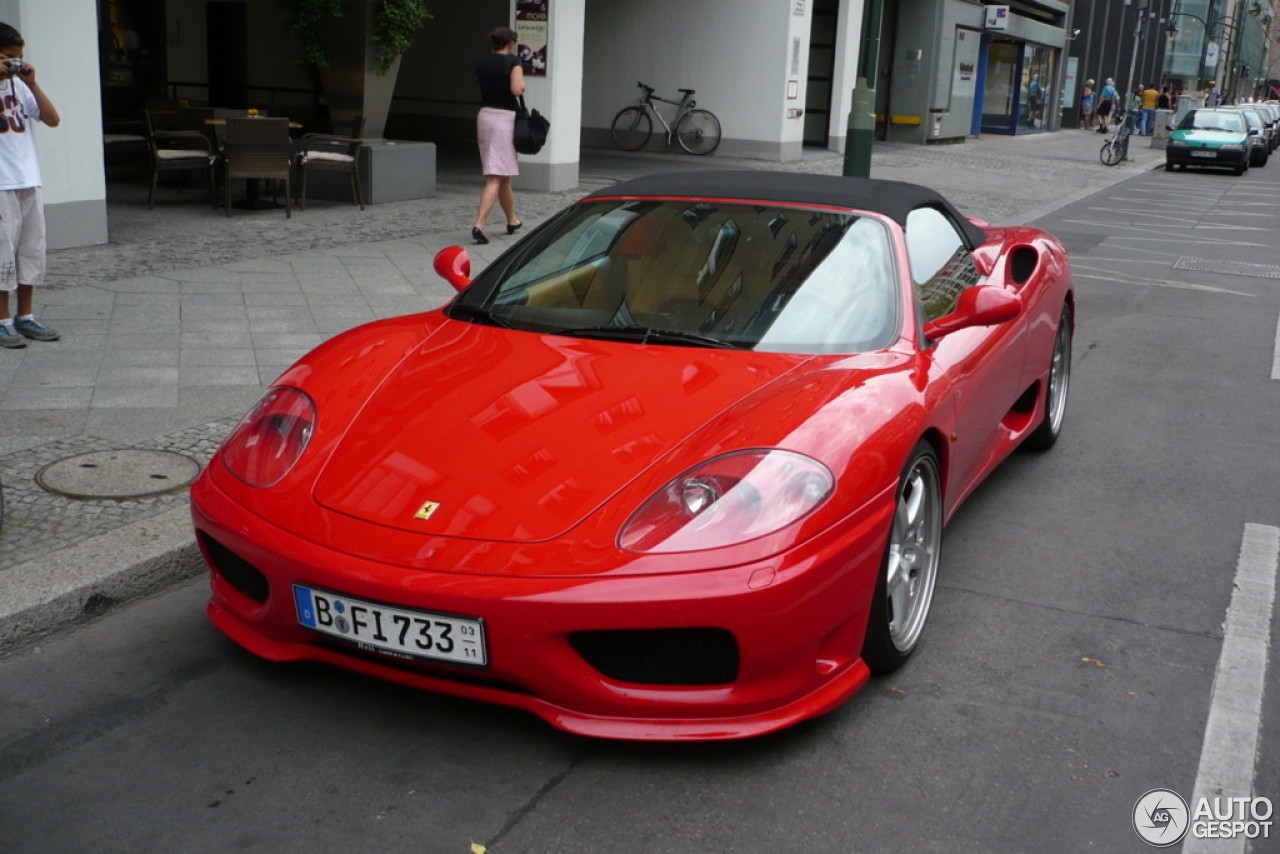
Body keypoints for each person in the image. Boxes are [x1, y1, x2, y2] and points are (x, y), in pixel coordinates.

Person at [0, 22, 60, 349]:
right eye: (9, 58)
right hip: (1, 183)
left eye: (19, 58)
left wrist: (33, 85)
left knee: (30, 250)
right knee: (1, 252)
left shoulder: (20, 86)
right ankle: (2, 320)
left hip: (27, 177)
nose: (14, 64)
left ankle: (26, 316)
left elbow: (52, 119)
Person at [471, 26, 525, 245]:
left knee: (503, 174)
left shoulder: (481, 62)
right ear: (511, 43)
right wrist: (522, 83)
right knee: (495, 175)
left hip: (485, 116)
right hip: (504, 119)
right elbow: (516, 90)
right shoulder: (513, 61)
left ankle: (512, 220)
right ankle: (479, 225)